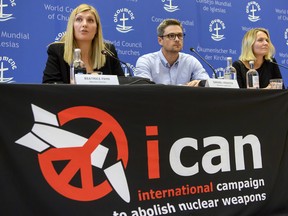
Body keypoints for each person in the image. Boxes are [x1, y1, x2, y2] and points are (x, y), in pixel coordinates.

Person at [42, 4, 124, 84]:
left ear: (96, 29)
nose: (84, 24)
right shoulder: (57, 51)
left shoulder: (108, 52)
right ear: (72, 26)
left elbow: (123, 86)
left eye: (90, 20)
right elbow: (50, 85)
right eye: (79, 19)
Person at [135, 19, 209, 86]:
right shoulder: (146, 61)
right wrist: (184, 87)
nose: (177, 39)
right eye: (171, 36)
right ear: (160, 40)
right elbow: (144, 89)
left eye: (180, 35)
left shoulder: (190, 61)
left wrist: (200, 83)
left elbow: (207, 83)